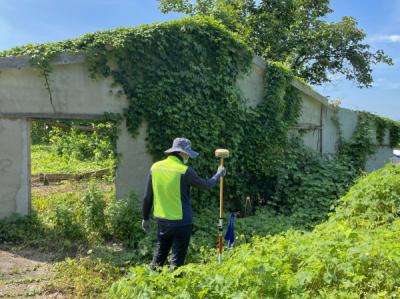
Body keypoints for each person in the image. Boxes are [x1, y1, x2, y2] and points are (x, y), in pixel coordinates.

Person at [142, 137, 226, 270]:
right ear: (181, 153)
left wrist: (145, 218)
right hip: (182, 223)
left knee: (158, 257)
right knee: (176, 263)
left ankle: (151, 285)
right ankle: (175, 286)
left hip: (162, 221)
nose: (188, 156)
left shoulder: (155, 168)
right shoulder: (185, 171)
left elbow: (147, 197)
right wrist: (218, 175)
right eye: (187, 153)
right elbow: (205, 185)